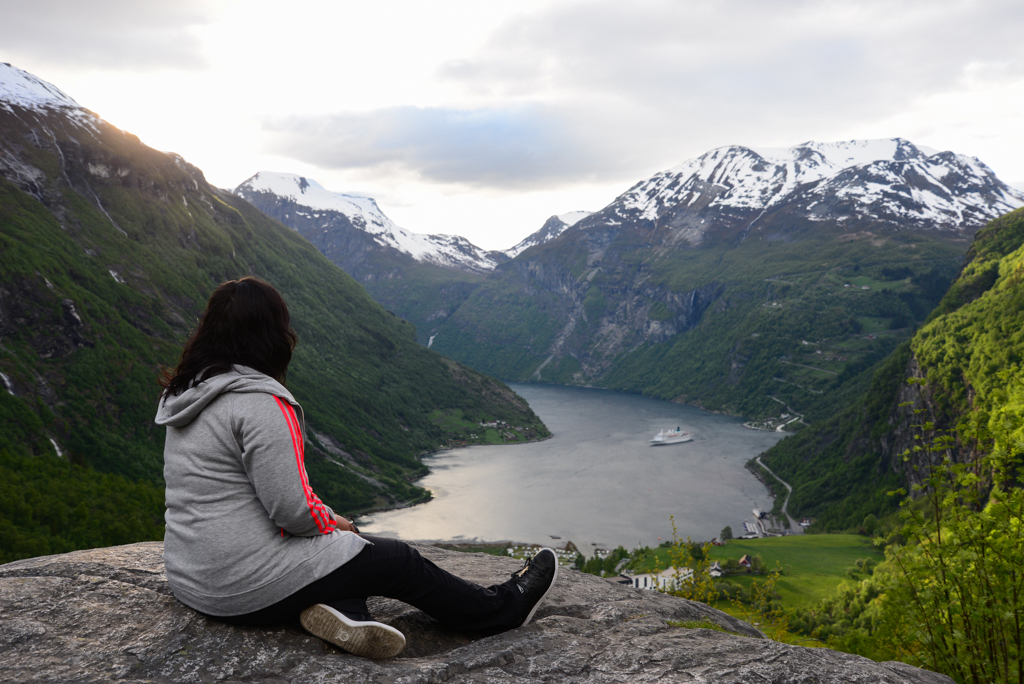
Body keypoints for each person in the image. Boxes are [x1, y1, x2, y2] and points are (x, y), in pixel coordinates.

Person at [155, 277, 557, 659]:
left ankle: (342, 608)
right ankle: (503, 609)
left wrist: (328, 527)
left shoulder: (190, 394)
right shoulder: (260, 403)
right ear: (272, 335)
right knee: (395, 559)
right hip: (241, 589)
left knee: (343, 556)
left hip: (191, 580)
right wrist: (336, 524)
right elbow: (293, 512)